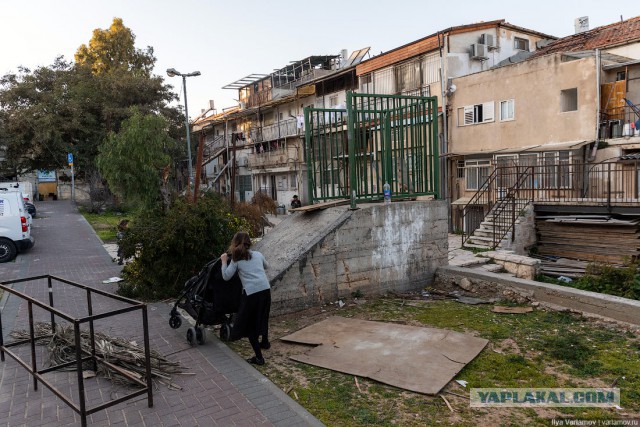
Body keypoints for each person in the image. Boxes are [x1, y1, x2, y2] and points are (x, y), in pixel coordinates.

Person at [221, 232, 271, 365]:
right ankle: (265, 342)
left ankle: (259, 358)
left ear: (235, 243)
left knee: (249, 326)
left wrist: (224, 261)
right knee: (263, 316)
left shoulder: (236, 259)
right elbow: (267, 266)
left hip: (251, 294)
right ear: (249, 242)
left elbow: (226, 276)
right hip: (265, 290)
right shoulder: (258, 254)